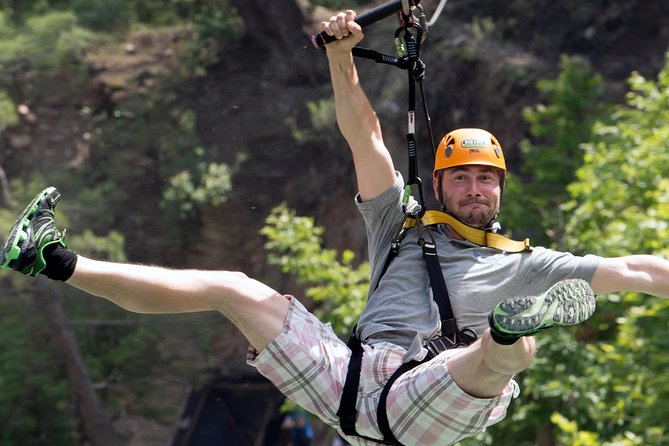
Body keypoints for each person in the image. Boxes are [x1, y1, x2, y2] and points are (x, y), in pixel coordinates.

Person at [1, 9, 668, 446]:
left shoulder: (529, 261)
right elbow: (365, 134)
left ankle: (506, 331)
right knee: (235, 288)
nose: (472, 189)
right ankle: (54, 260)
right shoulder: (400, 226)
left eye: (484, 179)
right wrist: (340, 56)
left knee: (507, 352)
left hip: (432, 396)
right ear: (438, 186)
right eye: (460, 178)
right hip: (349, 384)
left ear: (499, 190)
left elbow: (642, 270)